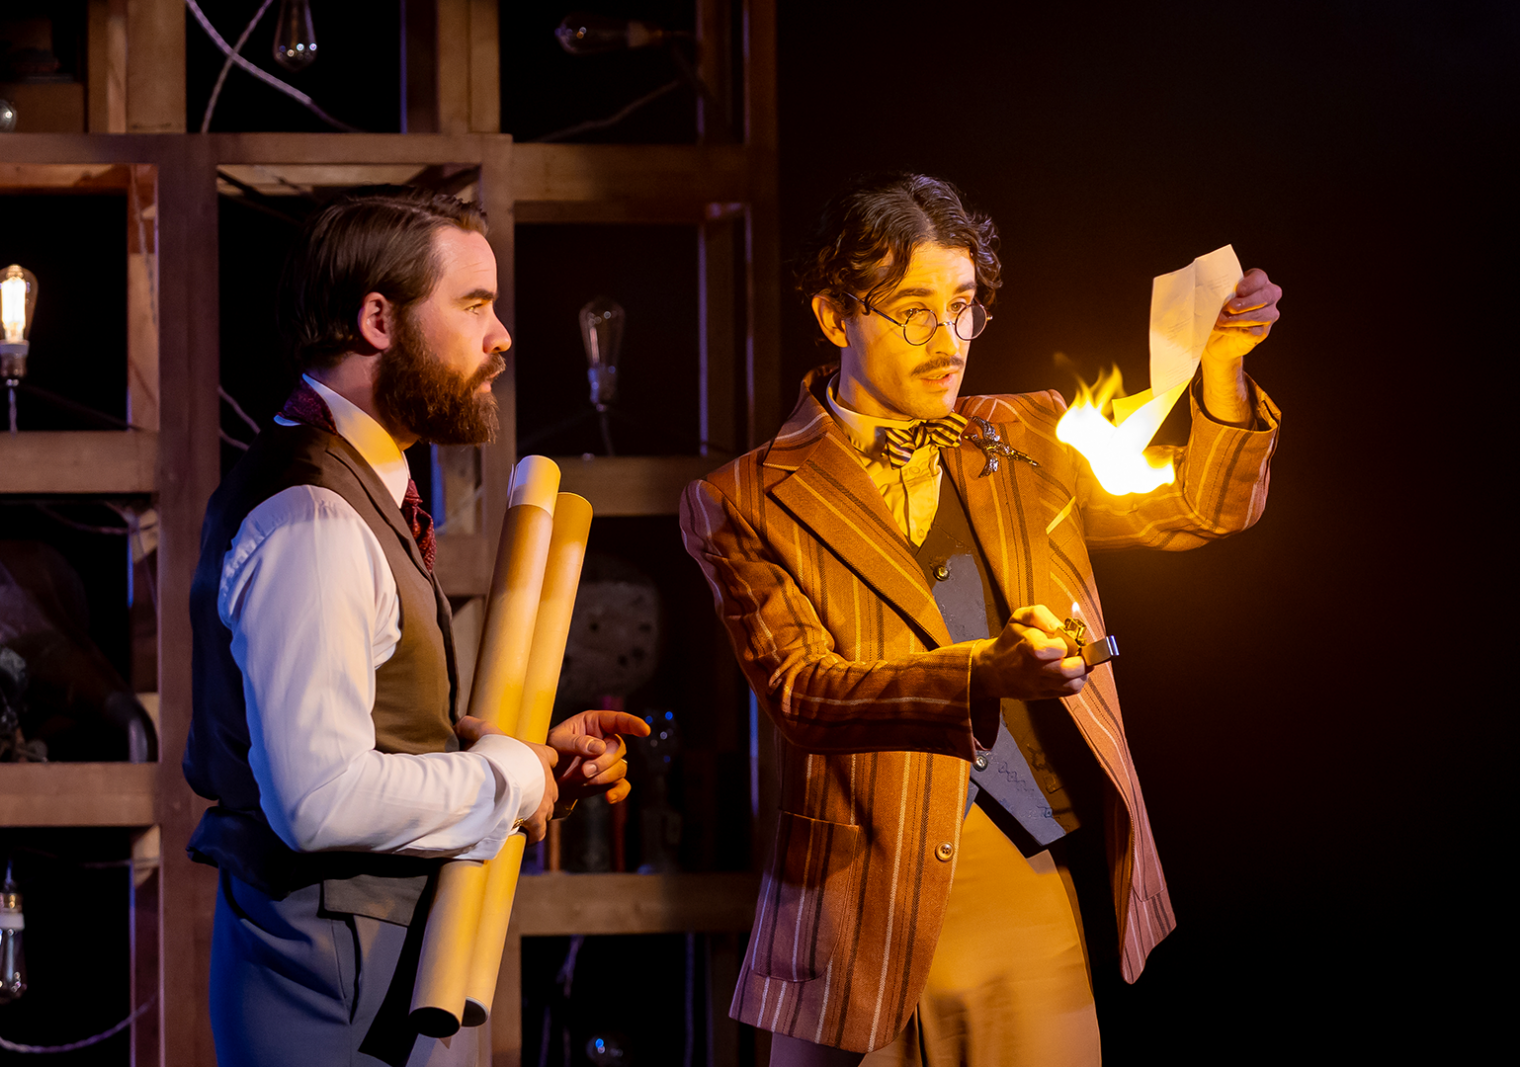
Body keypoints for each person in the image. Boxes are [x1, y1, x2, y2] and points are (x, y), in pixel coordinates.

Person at [679, 173, 1282, 1066]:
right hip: (850, 905)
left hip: (1022, 882)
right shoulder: (744, 497)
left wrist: (1222, 368)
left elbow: (1200, 507)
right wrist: (982, 673)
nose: (947, 340)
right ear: (835, 316)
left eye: (963, 307)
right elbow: (802, 694)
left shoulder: (1028, 437)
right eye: (914, 311)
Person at [184, 186, 648, 1067]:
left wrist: (527, 763)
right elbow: (319, 798)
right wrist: (509, 777)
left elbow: (372, 743)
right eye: (473, 305)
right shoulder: (313, 518)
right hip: (336, 978)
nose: (501, 335)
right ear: (379, 320)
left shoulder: (353, 490)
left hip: (373, 965)